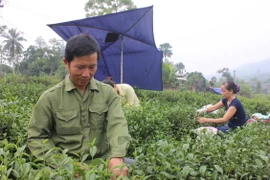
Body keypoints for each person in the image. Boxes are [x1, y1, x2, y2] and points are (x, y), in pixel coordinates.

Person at [27, 33, 131, 178]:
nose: (86, 74)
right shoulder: (50, 98)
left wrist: (117, 156)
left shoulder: (108, 94)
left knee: (131, 167)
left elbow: (118, 126)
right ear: (66, 63)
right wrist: (64, 163)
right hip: (64, 166)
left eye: (92, 67)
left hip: (102, 162)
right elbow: (36, 138)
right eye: (80, 67)